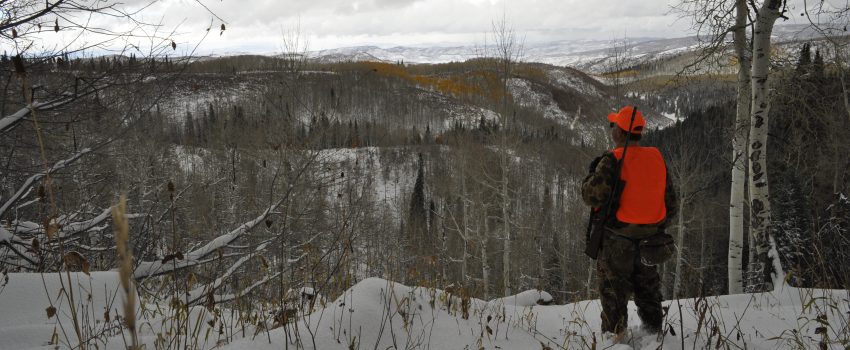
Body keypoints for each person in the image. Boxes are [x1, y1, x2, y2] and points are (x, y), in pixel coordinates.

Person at [581, 106, 678, 340]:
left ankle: (616, 338)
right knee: (648, 289)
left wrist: (591, 175)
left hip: (617, 240)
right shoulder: (656, 157)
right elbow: (672, 203)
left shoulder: (611, 160)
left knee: (613, 293)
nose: (611, 128)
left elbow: (590, 196)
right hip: (651, 241)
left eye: (614, 125)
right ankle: (654, 336)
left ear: (620, 134)